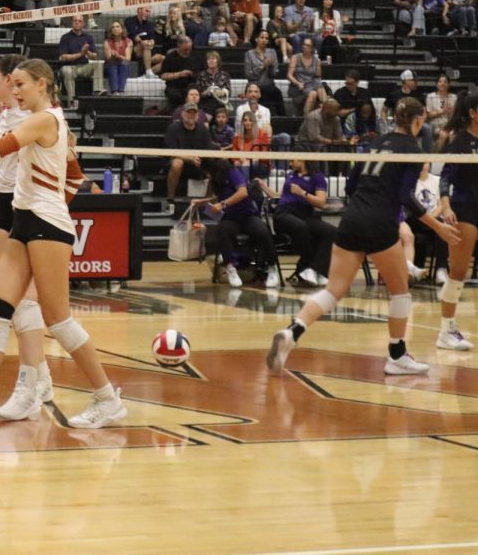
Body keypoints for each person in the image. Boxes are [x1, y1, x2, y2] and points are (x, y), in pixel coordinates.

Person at [0, 59, 125, 431]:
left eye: (21, 85)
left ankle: (107, 398)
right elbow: (7, 168)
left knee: (59, 321)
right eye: (11, 85)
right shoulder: (34, 119)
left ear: (43, 85)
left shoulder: (46, 119)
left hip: (48, 224)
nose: (15, 92)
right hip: (23, 219)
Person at [267, 97, 461, 376]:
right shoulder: (412, 150)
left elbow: (352, 184)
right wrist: (437, 226)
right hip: (379, 223)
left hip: (352, 219)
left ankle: (292, 331)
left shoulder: (375, 144)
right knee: (400, 291)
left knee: (333, 290)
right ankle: (397, 355)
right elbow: (405, 198)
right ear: (418, 120)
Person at [0, 53, 86, 417]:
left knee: (28, 304)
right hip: (6, 206)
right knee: (9, 302)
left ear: (12, 80)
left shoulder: (39, 118)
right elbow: (5, 174)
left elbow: (73, 176)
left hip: (32, 211)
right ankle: (32, 382)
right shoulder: (5, 116)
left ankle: (36, 384)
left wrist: (53, 207)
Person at [434, 94, 478, 350]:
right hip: (464, 207)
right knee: (459, 272)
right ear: (473, 113)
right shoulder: (460, 141)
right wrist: (446, 205)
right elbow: (445, 176)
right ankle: (446, 330)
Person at [195, 156, 279, 289]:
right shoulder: (216, 179)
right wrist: (203, 202)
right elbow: (220, 197)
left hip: (248, 215)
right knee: (222, 230)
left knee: (262, 231)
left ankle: (272, 267)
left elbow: (242, 192)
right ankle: (230, 268)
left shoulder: (232, 172)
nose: (206, 174)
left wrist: (223, 204)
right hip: (230, 218)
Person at [257, 159, 334, 287]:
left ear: (303, 159)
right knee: (300, 226)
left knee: (332, 232)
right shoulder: (291, 175)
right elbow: (279, 196)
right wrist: (264, 188)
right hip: (283, 214)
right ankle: (306, 266)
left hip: (304, 215)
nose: (290, 164)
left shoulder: (317, 177)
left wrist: (302, 193)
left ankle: (315, 269)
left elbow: (321, 203)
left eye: (293, 161)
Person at [165, 102, 214, 213]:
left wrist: (198, 158)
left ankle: (207, 204)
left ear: (197, 115)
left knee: (216, 165)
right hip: (179, 164)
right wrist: (190, 158)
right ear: (182, 114)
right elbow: (171, 151)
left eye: (194, 113)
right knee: (177, 163)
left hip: (198, 163)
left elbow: (208, 150)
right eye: (188, 112)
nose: (191, 115)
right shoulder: (173, 128)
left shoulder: (204, 130)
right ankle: (170, 199)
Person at [287, 37, 326, 115]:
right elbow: (289, 75)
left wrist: (318, 88)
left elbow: (318, 78)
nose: (304, 46)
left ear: (312, 48)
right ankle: (307, 118)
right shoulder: (295, 57)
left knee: (316, 90)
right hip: (297, 87)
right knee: (314, 93)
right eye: (304, 44)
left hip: (310, 86)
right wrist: (298, 83)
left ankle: (325, 105)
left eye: (307, 45)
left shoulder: (317, 61)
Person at [102, 20, 132, 96]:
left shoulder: (129, 41)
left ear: (122, 29)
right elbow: (108, 58)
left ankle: (121, 91)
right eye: (113, 27)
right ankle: (114, 91)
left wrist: (118, 56)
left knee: (124, 64)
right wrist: (113, 55)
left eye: (117, 26)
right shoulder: (107, 41)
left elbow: (127, 59)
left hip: (123, 65)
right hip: (110, 65)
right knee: (112, 64)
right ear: (111, 30)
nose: (115, 28)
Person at [426, 74, 456, 148]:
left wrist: (452, 110)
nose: (442, 83)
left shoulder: (454, 97)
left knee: (452, 134)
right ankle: (438, 157)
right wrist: (442, 111)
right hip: (435, 126)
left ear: (449, 84)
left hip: (450, 126)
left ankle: (451, 157)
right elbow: (428, 115)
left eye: (445, 82)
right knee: (443, 135)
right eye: (440, 81)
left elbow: (456, 115)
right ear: (437, 84)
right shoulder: (431, 96)